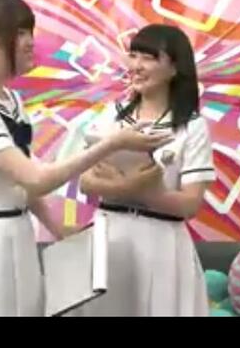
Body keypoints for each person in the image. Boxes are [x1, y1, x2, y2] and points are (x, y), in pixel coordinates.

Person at [0, 0, 172, 316]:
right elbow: (36, 179)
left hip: (15, 235)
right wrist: (112, 143)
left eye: (29, 32)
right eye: (20, 32)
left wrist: (57, 228)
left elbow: (22, 184)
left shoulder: (9, 101)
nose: (30, 42)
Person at [74, 24, 216, 316]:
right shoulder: (111, 116)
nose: (136, 66)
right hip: (109, 237)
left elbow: (190, 204)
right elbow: (86, 182)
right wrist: (129, 187)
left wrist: (143, 191)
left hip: (162, 244)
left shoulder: (191, 126)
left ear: (174, 67)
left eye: (148, 58)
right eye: (133, 55)